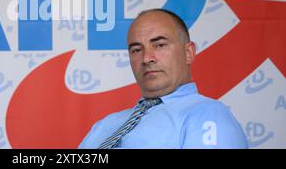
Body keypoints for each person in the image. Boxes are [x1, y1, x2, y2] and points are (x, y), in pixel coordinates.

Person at [79, 9, 248, 149]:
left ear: (188, 53)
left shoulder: (207, 114)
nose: (146, 58)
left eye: (159, 45)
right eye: (137, 50)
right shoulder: (104, 125)